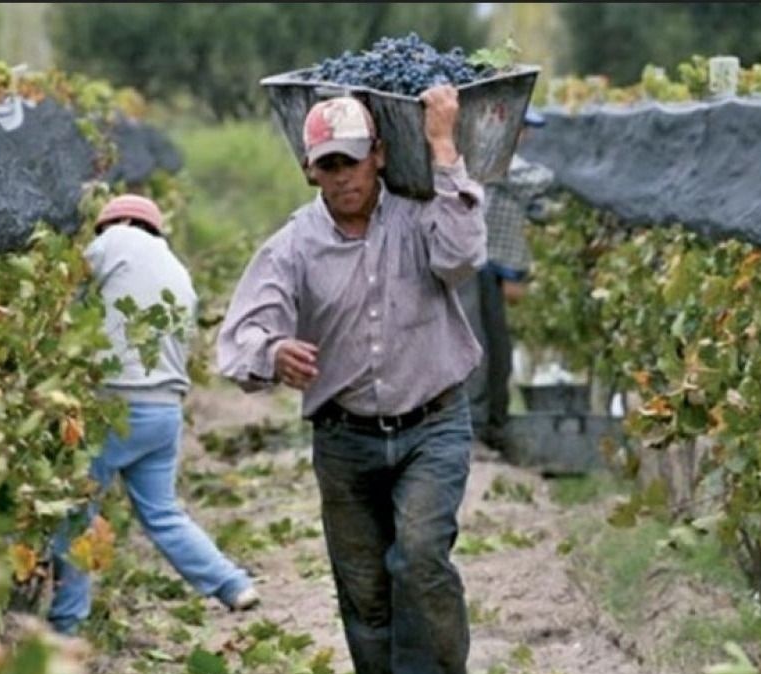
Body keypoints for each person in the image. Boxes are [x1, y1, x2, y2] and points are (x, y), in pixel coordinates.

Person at [216, 86, 485, 674]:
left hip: (432, 426)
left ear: (380, 155)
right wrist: (273, 350)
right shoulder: (292, 247)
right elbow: (238, 342)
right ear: (310, 172)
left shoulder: (419, 220)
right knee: (365, 595)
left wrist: (443, 146)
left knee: (418, 557)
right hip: (345, 441)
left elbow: (463, 258)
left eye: (353, 160)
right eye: (328, 165)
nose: (343, 177)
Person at [47, 194, 259, 635]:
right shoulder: (177, 270)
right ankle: (232, 584)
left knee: (75, 517)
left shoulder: (115, 241)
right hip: (164, 412)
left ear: (117, 222)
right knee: (163, 513)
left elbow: (66, 290)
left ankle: (65, 626)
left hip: (116, 408)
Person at [458, 107, 555, 452]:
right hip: (472, 264)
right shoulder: (487, 161)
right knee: (478, 347)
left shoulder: (501, 166)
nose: (524, 135)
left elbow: (536, 206)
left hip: (493, 265)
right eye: (521, 127)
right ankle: (475, 428)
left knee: (498, 349)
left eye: (526, 129)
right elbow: (534, 180)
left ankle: (494, 427)